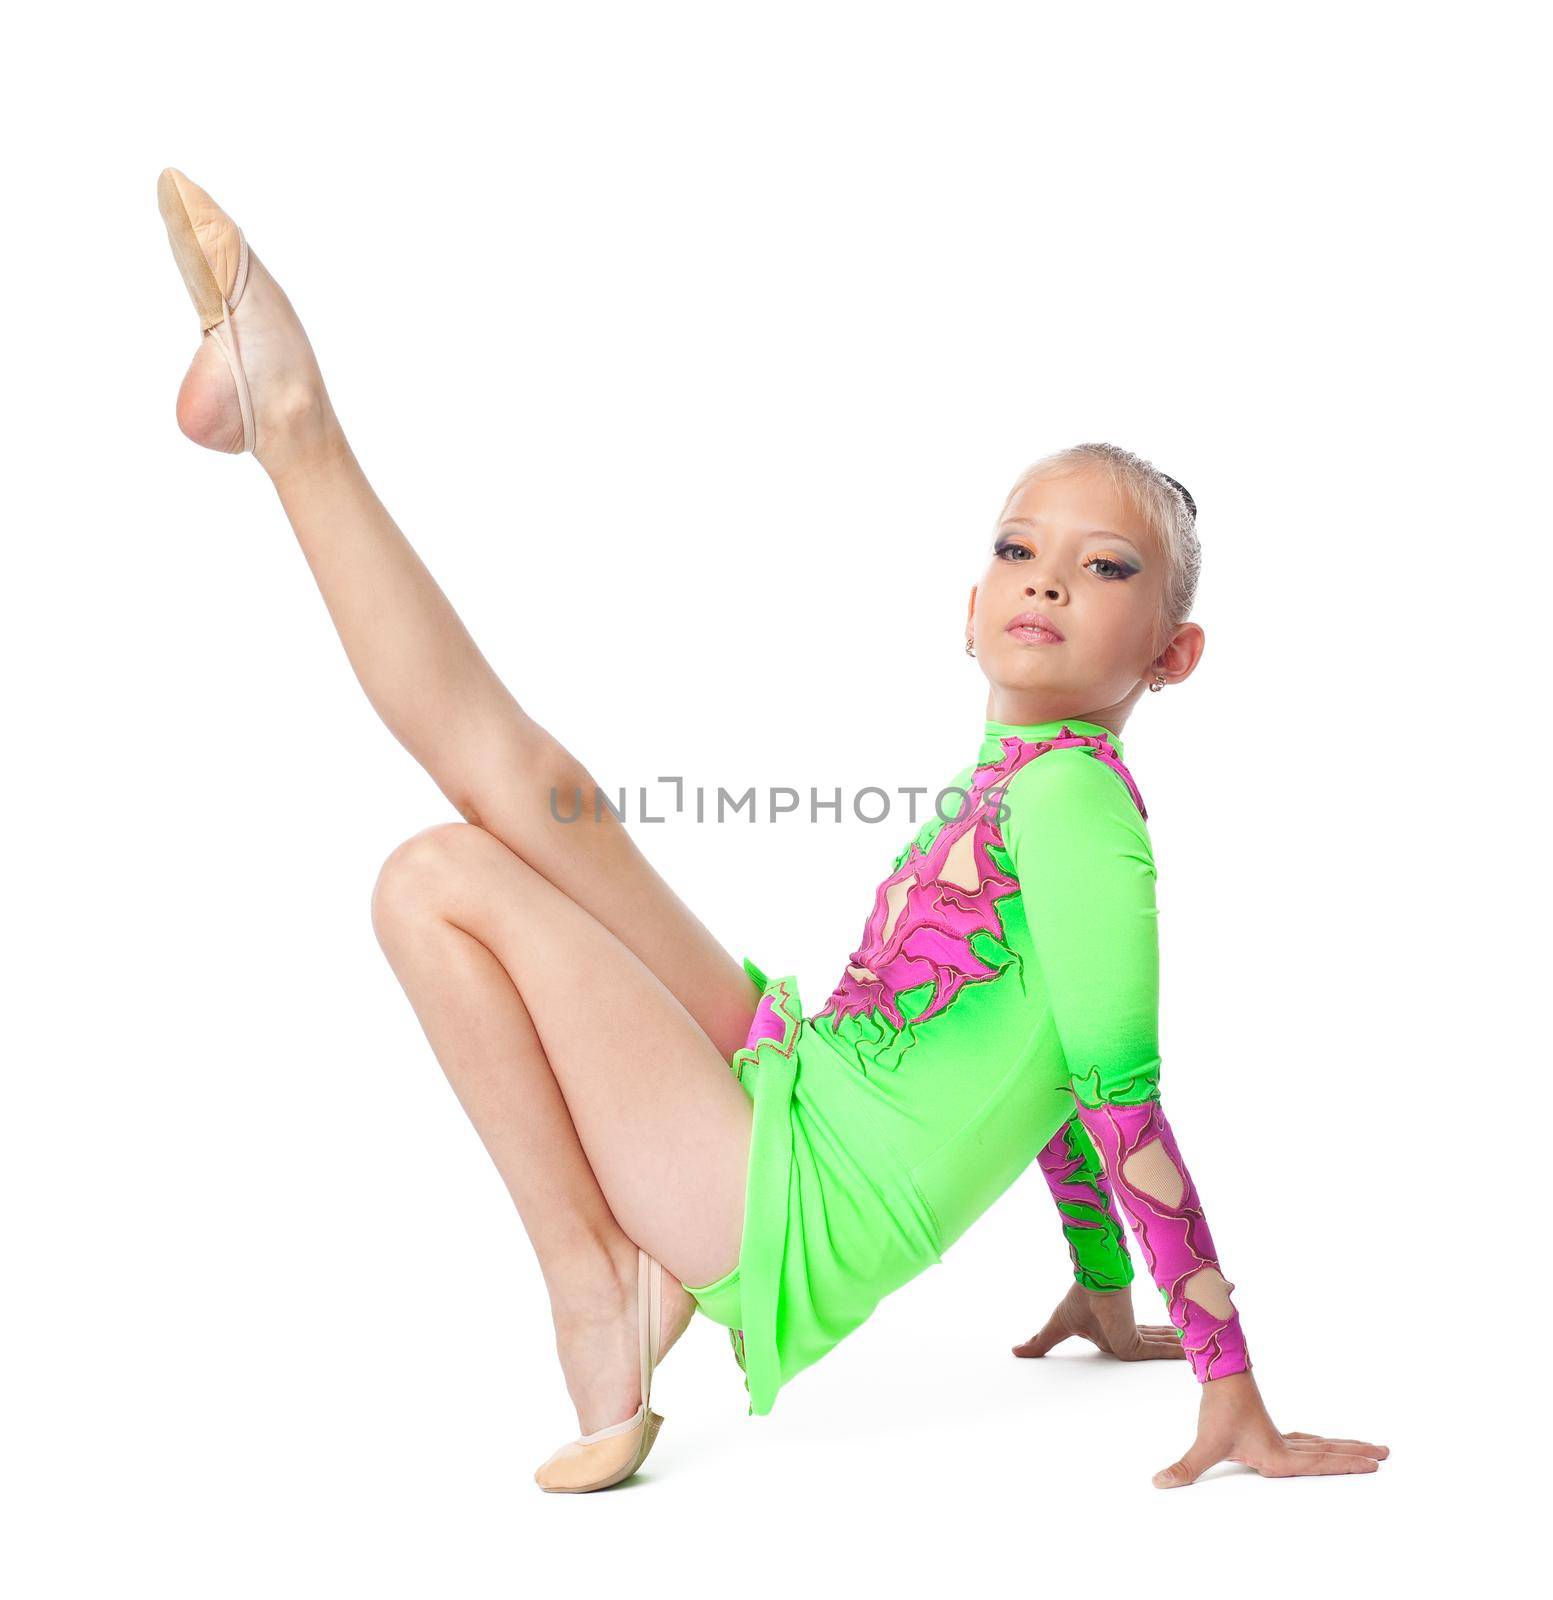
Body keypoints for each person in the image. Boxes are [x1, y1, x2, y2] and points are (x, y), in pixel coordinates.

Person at [156, 169, 1389, 1493]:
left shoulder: (1074, 798)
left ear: (1173, 652)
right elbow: (1034, 1062)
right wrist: (1095, 1286)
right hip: (793, 1078)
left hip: (789, 1195)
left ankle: (601, 1290)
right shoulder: (1019, 777)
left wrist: (1231, 1382)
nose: (1046, 575)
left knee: (438, 876)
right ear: (964, 609)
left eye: (1106, 567)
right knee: (533, 790)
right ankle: (290, 427)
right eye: (1018, 545)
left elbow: (1113, 1092)